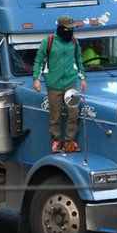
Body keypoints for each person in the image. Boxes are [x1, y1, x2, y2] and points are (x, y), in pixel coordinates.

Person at [33, 15, 87, 153]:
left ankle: (69, 142)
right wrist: (36, 79)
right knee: (55, 116)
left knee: (73, 113)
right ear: (60, 28)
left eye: (72, 29)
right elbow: (38, 61)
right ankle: (56, 141)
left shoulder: (74, 42)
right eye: (68, 29)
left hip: (70, 83)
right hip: (53, 84)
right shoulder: (48, 41)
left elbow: (79, 59)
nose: (70, 31)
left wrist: (82, 77)